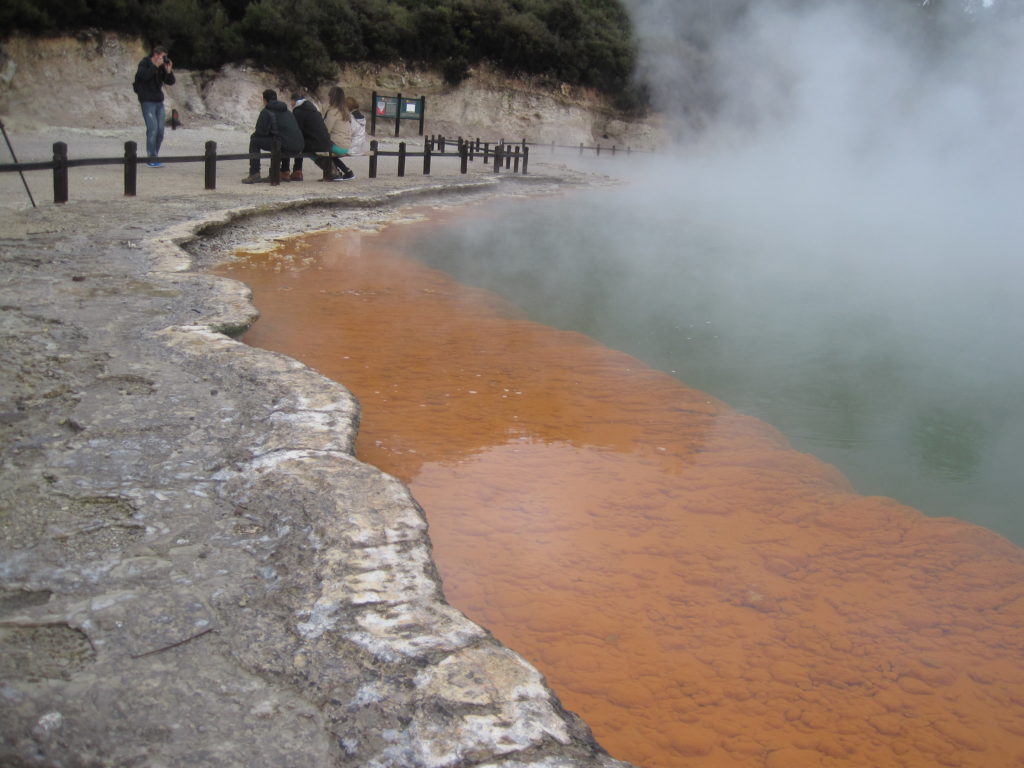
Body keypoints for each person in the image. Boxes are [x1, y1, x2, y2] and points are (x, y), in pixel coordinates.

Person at [242, 89, 304, 184]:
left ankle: (254, 173)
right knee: (280, 139)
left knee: (255, 141)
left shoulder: (266, 111)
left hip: (284, 144)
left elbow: (260, 131)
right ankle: (283, 172)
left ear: (265, 100)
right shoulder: (287, 111)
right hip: (299, 145)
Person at [132, 45, 175, 168]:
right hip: (147, 101)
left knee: (160, 131)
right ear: (156, 55)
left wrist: (168, 70)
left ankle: (155, 155)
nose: (163, 59)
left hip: (158, 102)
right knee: (153, 129)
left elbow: (170, 81)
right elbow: (143, 76)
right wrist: (155, 66)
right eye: (162, 56)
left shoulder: (161, 67)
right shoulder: (144, 63)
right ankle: (151, 158)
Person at [287, 92, 336, 182]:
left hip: (316, 143)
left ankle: (297, 171)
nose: (291, 104)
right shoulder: (312, 109)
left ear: (294, 101)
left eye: (291, 101)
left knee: (299, 145)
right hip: (325, 141)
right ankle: (298, 171)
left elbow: (298, 131)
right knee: (301, 144)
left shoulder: (298, 111)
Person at [322, 86, 356, 180]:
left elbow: (325, 131)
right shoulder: (345, 112)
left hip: (337, 147)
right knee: (328, 149)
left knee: (318, 149)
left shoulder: (332, 112)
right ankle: (346, 171)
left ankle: (334, 173)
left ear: (331, 97)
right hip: (346, 146)